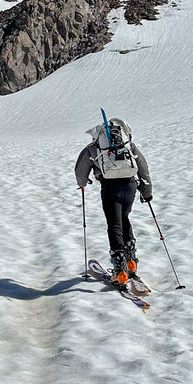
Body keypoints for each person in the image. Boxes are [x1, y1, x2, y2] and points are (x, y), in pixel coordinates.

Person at [74, 118, 153, 284]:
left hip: (110, 188)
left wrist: (82, 184)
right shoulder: (128, 145)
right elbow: (142, 167)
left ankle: (120, 270)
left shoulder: (94, 148)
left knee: (114, 224)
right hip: (130, 185)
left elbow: (80, 169)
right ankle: (131, 262)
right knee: (124, 218)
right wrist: (146, 190)